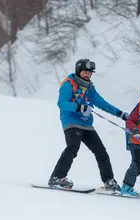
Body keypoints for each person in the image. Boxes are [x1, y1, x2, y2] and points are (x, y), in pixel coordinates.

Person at [48, 58, 128, 192]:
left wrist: (120, 114)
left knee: (101, 151)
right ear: (78, 71)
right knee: (73, 147)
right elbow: (61, 103)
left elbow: (102, 103)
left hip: (86, 124)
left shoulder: (90, 88)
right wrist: (79, 107)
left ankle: (109, 181)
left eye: (90, 73)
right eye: (85, 72)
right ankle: (57, 177)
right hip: (71, 121)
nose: (87, 75)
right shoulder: (69, 84)